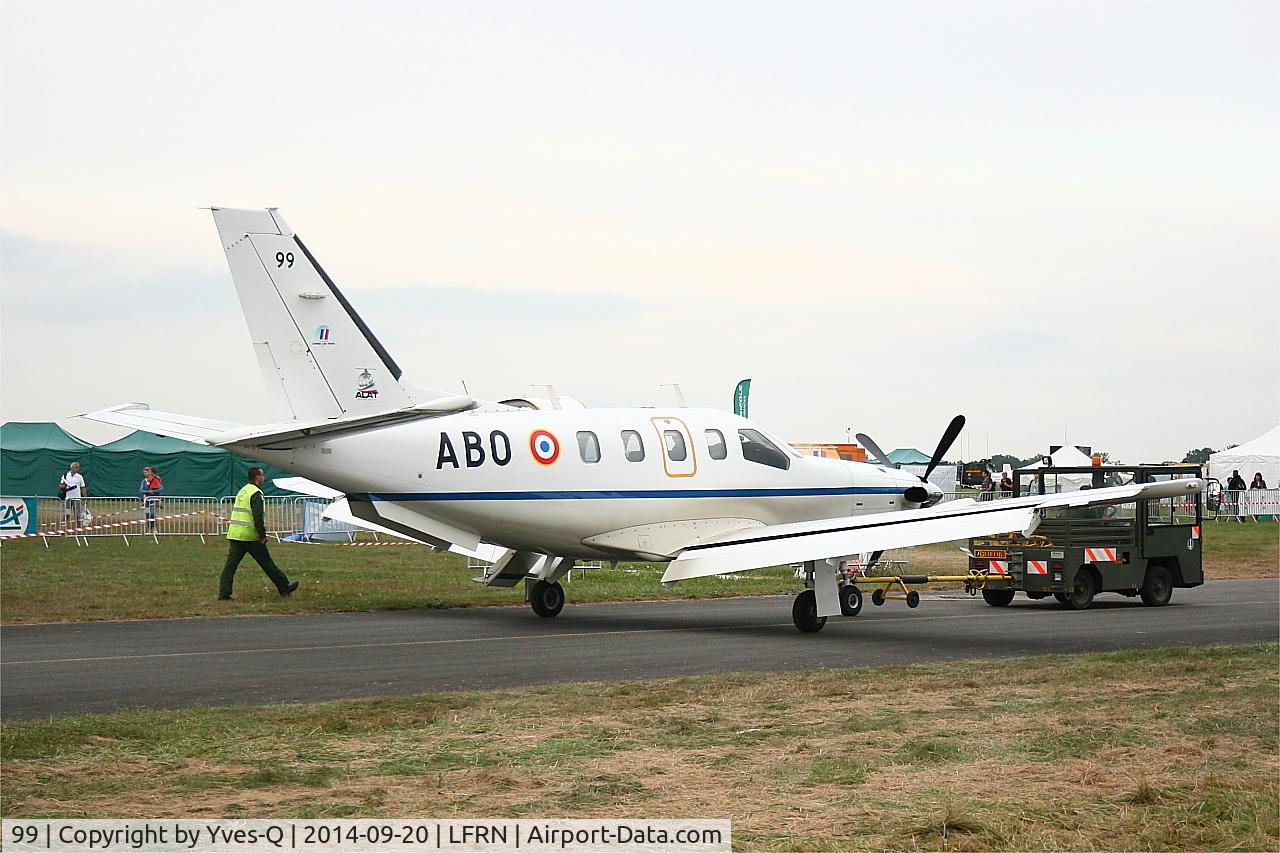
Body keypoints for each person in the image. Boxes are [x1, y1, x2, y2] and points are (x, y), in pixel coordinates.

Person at [219, 467, 298, 600]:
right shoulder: (256, 493)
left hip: (235, 534)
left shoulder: (243, 490)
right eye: (262, 475)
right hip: (250, 535)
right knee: (267, 563)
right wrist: (262, 535)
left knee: (230, 566)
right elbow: (258, 516)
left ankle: (224, 594)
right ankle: (284, 588)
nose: (264, 477)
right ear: (257, 477)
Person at [59, 462, 88, 527]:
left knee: (78, 514)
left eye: (78, 467)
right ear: (72, 468)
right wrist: (64, 486)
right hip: (68, 499)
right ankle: (63, 528)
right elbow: (60, 486)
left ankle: (78, 528)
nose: (77, 469)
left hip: (77, 499)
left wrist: (85, 498)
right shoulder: (65, 476)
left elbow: (83, 488)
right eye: (76, 467)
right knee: (66, 514)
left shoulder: (80, 477)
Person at [139, 466, 163, 531]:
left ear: (150, 472)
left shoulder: (155, 480)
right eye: (144, 472)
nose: (145, 474)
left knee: (152, 513)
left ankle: (153, 527)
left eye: (146, 472)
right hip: (146, 500)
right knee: (147, 514)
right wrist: (147, 491)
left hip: (154, 500)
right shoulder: (144, 481)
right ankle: (149, 528)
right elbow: (141, 490)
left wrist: (153, 491)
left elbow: (161, 488)